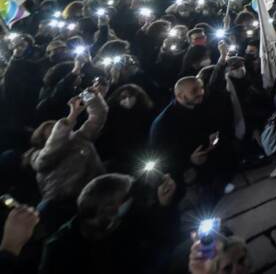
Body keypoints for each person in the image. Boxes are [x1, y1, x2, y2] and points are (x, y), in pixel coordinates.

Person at [39, 171, 178, 274]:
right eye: (126, 197)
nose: (131, 199)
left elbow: (159, 242)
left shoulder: (126, 222)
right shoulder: (59, 249)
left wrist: (165, 205)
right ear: (108, 209)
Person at [26, 84, 108, 233]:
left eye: (55, 127)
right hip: (64, 204)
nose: (55, 131)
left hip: (95, 193)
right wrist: (72, 116)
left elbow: (98, 116)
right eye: (49, 131)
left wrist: (89, 96)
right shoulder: (37, 156)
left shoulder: (79, 138)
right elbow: (52, 148)